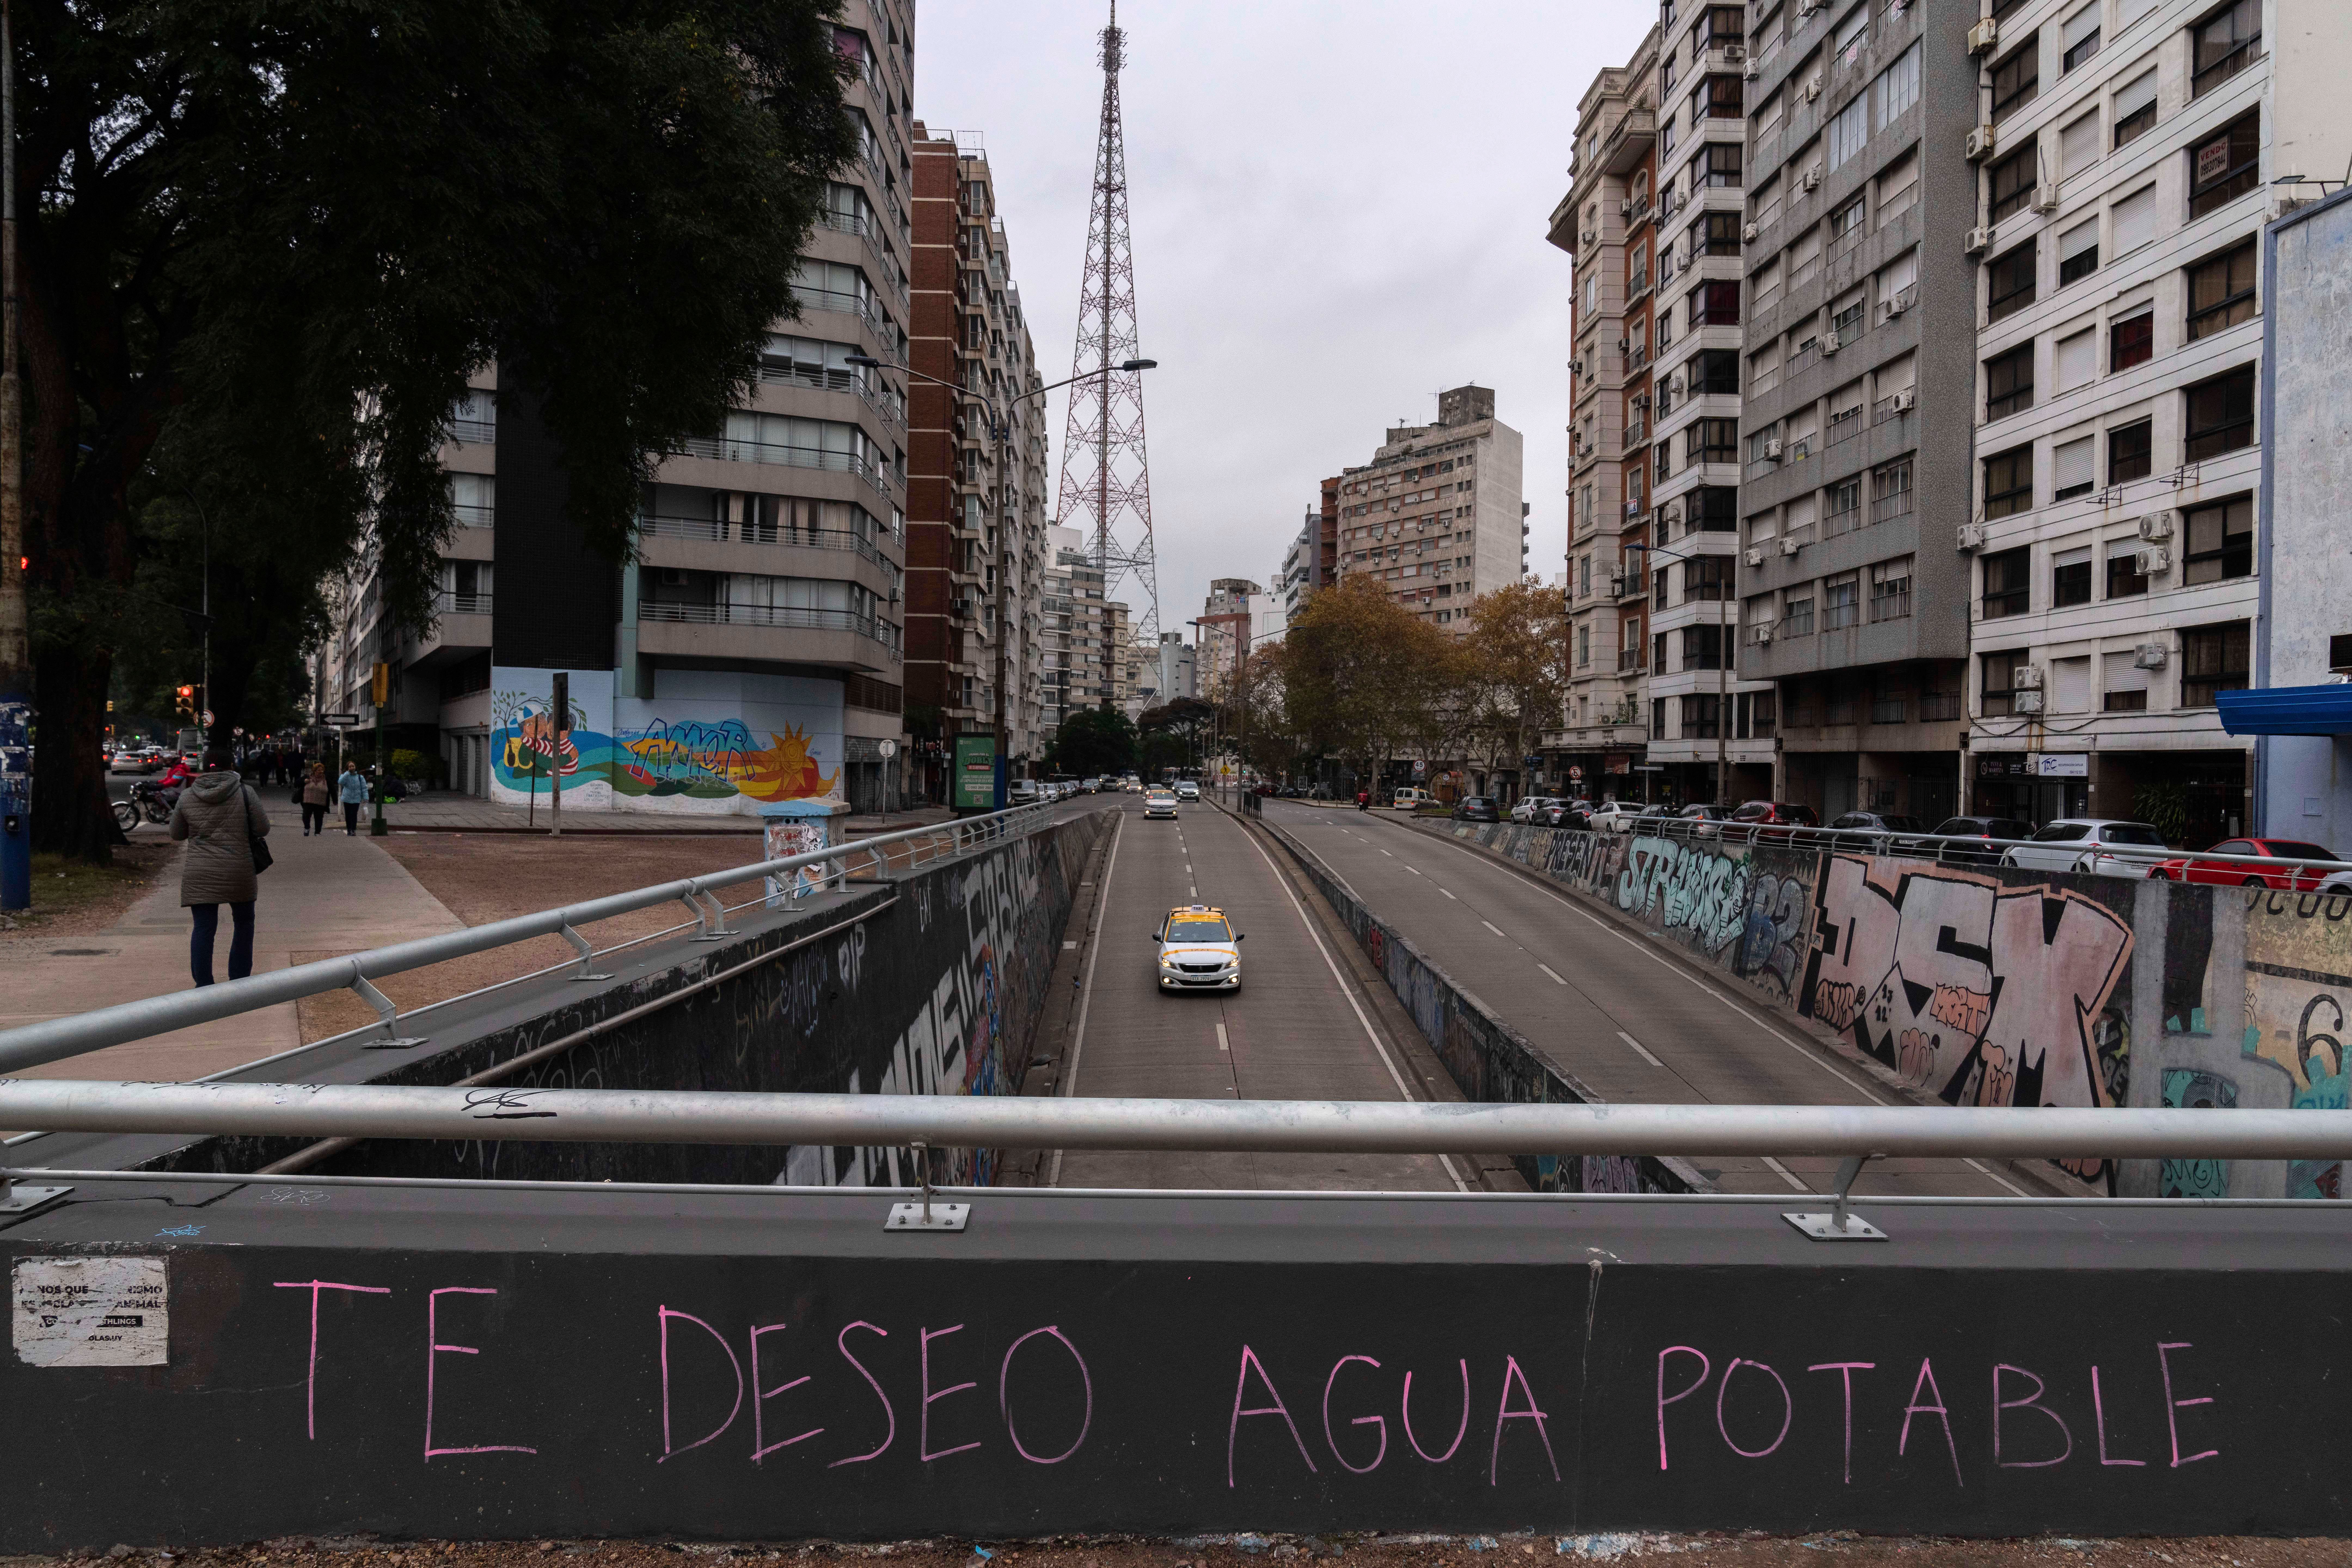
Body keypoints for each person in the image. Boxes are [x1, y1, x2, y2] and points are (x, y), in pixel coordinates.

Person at [170, 747, 270, 987]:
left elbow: (176, 834)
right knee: (244, 923)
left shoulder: (187, 796)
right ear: (232, 767)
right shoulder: (245, 793)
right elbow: (262, 828)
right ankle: (239, 981)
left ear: (204, 768)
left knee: (204, 928)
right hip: (239, 870)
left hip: (200, 872)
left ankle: (204, 985)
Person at [338, 759, 370, 835]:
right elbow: (341, 782)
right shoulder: (345, 776)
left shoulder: (360, 777)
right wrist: (347, 773)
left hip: (356, 799)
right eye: (350, 767)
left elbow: (364, 788)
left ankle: (353, 830)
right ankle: (349, 829)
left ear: (356, 767)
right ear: (347, 768)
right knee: (348, 815)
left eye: (353, 766)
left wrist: (366, 798)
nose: (352, 768)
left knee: (354, 814)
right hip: (347, 799)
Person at [301, 763, 331, 836]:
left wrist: (335, 800)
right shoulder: (308, 777)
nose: (321, 772)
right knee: (306, 816)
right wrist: (304, 781)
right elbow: (297, 783)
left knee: (319, 818)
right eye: (319, 770)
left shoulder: (326, 779)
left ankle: (318, 832)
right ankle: (307, 828)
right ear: (315, 771)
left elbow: (332, 789)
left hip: (320, 802)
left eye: (322, 770)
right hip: (308, 801)